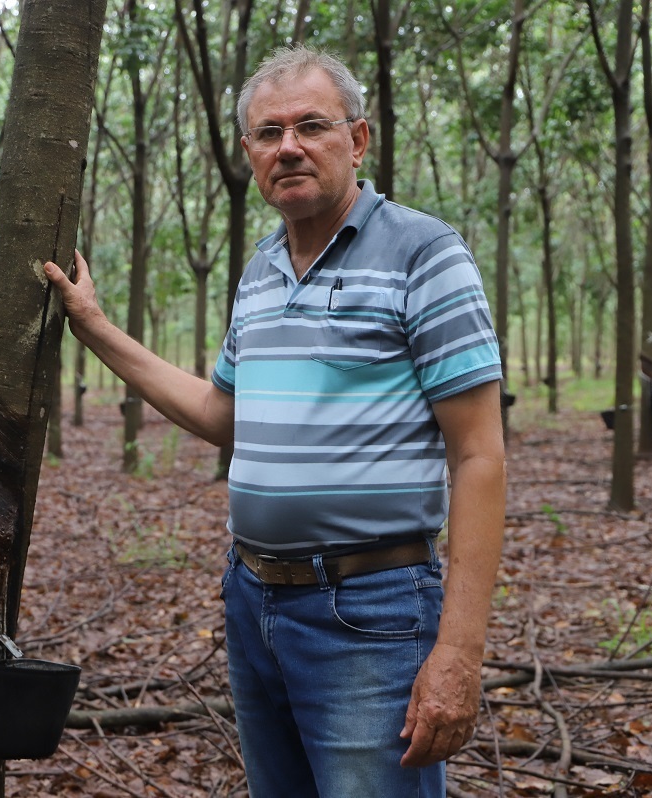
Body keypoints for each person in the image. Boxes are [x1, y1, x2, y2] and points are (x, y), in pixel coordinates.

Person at [44, 44, 506, 798]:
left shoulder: (426, 254)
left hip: (371, 610)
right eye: (268, 133)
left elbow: (480, 455)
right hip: (253, 598)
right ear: (249, 153)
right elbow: (223, 415)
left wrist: (459, 651)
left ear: (357, 140)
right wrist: (94, 327)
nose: (288, 147)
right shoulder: (260, 271)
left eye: (311, 126)